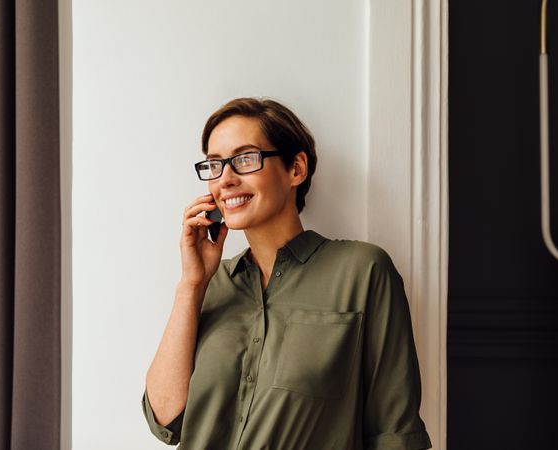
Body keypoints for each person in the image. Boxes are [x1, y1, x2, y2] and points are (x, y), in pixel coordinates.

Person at [141, 97, 432, 450]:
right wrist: (191, 284)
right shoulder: (211, 285)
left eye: (245, 159)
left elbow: (396, 435)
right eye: (215, 164)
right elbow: (165, 419)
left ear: (296, 169)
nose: (225, 180)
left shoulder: (362, 272)